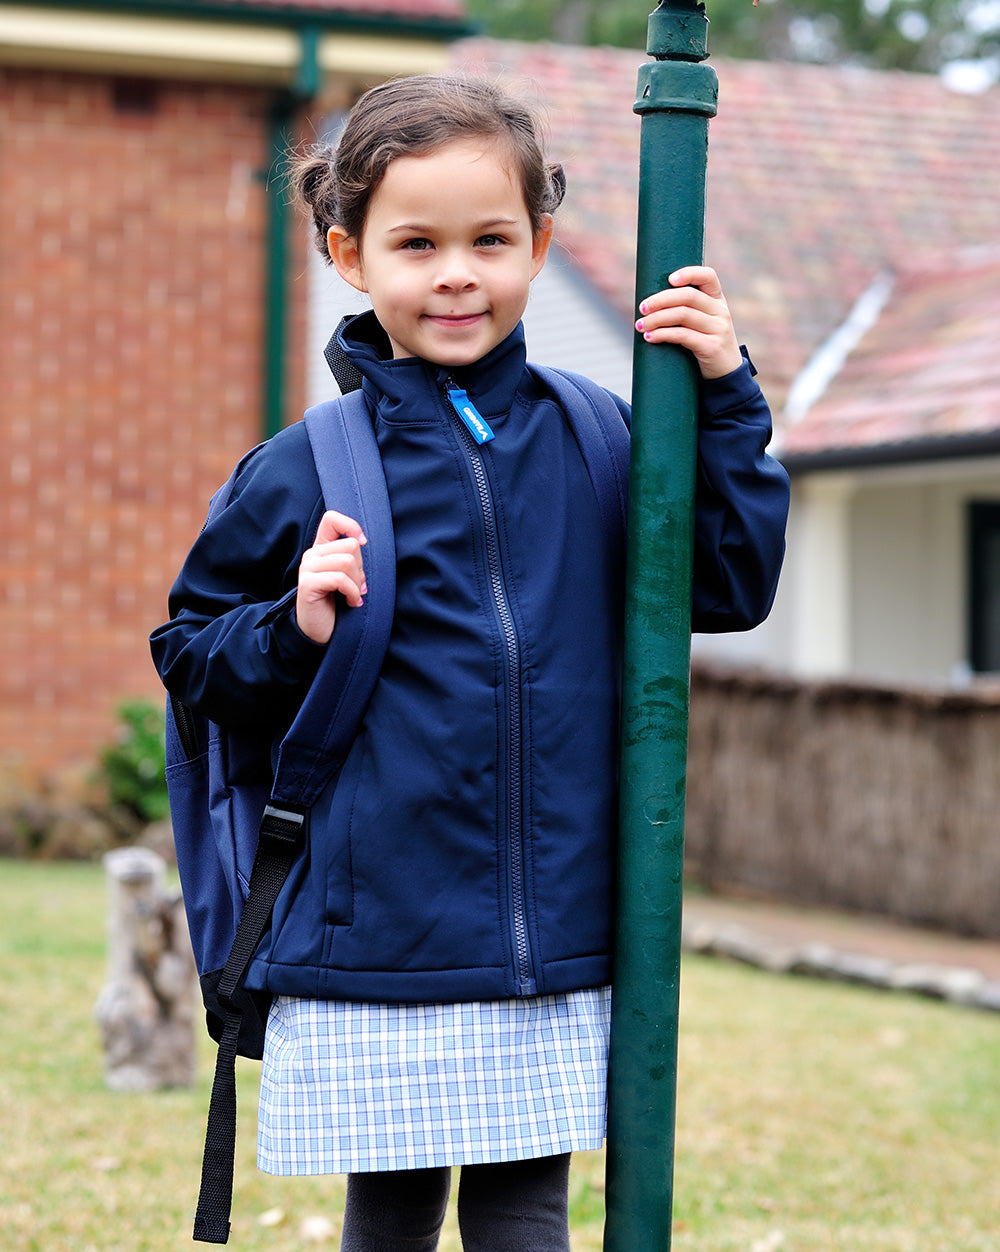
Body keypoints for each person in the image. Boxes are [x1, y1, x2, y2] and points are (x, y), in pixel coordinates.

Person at [151, 74, 789, 1252]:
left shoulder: (602, 437)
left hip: (553, 941)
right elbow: (191, 659)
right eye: (417, 244)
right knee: (389, 1222)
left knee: (524, 1218)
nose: (457, 273)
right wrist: (292, 625)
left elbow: (727, 586)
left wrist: (725, 395)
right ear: (349, 255)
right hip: (373, 942)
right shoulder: (302, 467)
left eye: (490, 240)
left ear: (538, 245)